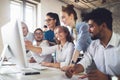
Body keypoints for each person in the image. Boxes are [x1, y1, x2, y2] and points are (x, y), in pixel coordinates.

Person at [65, 8, 120, 80]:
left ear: (103, 26)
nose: (88, 30)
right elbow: (85, 60)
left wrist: (108, 78)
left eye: (91, 26)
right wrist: (74, 69)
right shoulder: (94, 45)